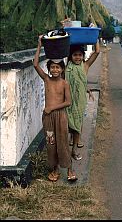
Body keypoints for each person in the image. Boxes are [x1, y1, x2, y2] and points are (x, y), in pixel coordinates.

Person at [33, 35, 77, 182]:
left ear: (62, 69)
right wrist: (39, 44)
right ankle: (54, 169)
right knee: (51, 142)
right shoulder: (46, 79)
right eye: (52, 67)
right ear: (49, 69)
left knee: (63, 142)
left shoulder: (64, 83)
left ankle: (70, 168)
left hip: (60, 116)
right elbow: (35, 65)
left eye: (58, 67)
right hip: (48, 119)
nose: (55, 69)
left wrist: (52, 108)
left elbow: (68, 102)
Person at [65, 42, 100, 161]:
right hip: (67, 100)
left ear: (83, 56)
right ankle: (67, 148)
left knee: (78, 125)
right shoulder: (66, 67)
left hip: (80, 101)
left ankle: (74, 150)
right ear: (70, 56)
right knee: (68, 125)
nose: (78, 57)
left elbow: (97, 52)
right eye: (75, 55)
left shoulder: (85, 66)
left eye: (80, 55)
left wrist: (96, 39)